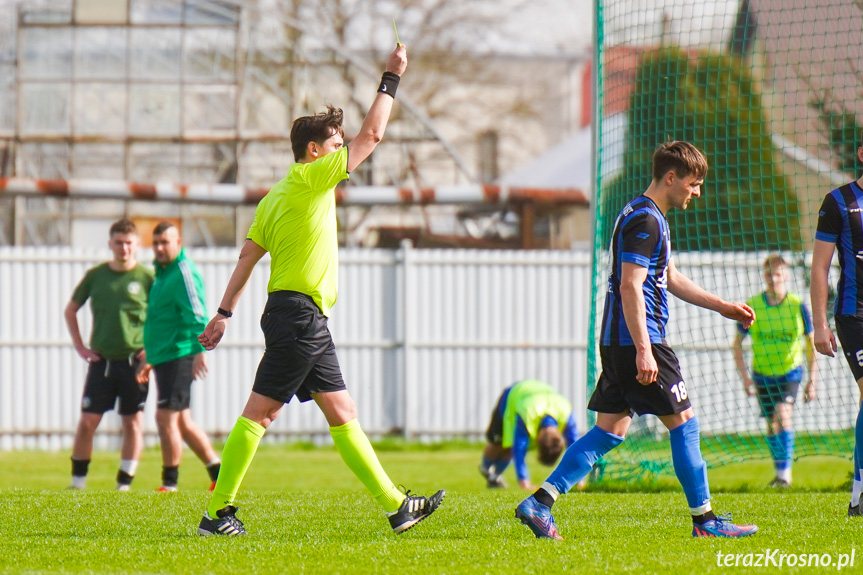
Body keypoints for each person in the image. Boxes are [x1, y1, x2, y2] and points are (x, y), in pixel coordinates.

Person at [195, 43, 444, 537]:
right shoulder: (313, 180)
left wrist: (224, 311)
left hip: (296, 316)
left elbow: (248, 256)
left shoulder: (274, 196)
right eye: (336, 145)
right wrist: (391, 77)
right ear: (314, 152)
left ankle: (397, 507)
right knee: (260, 414)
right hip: (298, 318)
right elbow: (374, 134)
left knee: (342, 411)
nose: (342, 152)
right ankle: (216, 513)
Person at [515, 141, 759, 539]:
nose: (696, 192)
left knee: (609, 431)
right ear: (670, 178)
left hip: (619, 341)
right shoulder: (646, 221)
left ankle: (539, 503)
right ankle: (705, 521)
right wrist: (646, 351)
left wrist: (722, 306)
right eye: (693, 184)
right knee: (684, 424)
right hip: (638, 341)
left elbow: (671, 277)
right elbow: (631, 286)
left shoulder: (642, 213)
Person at [65, 218, 154, 491]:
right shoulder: (96, 276)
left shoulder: (147, 277)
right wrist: (80, 346)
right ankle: (77, 482)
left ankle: (124, 484)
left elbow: (162, 317)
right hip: (102, 362)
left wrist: (150, 352)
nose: (124, 248)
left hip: (134, 363)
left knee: (132, 422)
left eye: (129, 243)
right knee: (87, 421)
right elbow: (71, 310)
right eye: (118, 243)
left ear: (137, 245)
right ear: (110, 244)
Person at [138, 222, 221, 491]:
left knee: (165, 418)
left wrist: (200, 351)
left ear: (179, 242)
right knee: (182, 421)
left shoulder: (183, 271)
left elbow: (197, 314)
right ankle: (219, 474)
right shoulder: (162, 273)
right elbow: (161, 319)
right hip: (164, 355)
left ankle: (169, 484)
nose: (160, 247)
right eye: (156, 242)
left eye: (165, 242)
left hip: (180, 354)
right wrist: (149, 354)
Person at [732, 255, 816, 487]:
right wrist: (746, 378)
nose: (773, 278)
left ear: (785, 276)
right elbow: (736, 345)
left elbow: (811, 346)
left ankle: (785, 476)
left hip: (789, 373)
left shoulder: (798, 306)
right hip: (762, 374)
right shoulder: (753, 306)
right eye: (769, 274)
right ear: (764, 275)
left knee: (783, 415)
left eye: (777, 274)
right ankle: (779, 472)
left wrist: (813, 381)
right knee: (772, 424)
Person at [811, 143, 863, 516]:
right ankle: (859, 493)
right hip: (854, 314)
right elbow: (820, 268)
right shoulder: (838, 202)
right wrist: (819, 324)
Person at [480, 379, 577, 490]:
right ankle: (485, 467)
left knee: (508, 447)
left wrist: (579, 480)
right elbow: (519, 450)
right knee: (498, 443)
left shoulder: (566, 414)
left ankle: (495, 476)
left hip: (535, 395)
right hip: (512, 396)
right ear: (538, 439)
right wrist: (525, 482)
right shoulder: (528, 414)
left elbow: (575, 448)